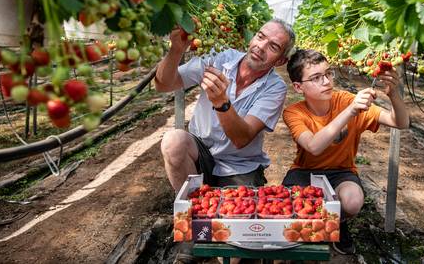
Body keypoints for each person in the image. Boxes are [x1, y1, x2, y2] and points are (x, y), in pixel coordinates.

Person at [282, 49, 409, 255]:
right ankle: (315, 228)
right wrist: (349, 112)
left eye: (328, 73)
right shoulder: (294, 112)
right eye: (316, 78)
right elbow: (314, 146)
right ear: (298, 87)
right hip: (305, 171)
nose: (326, 81)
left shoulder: (346, 99)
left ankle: (337, 222)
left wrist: (393, 93)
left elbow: (400, 122)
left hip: (341, 172)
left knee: (352, 201)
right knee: (289, 206)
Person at [155, 19, 296, 192]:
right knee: (173, 141)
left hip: (239, 164)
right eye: (260, 37)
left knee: (238, 213)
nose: (261, 46)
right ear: (252, 39)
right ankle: (193, 208)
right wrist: (176, 50)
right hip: (200, 151)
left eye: (273, 46)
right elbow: (163, 85)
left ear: (281, 61)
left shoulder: (275, 87)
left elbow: (241, 139)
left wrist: (222, 103)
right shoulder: (218, 57)